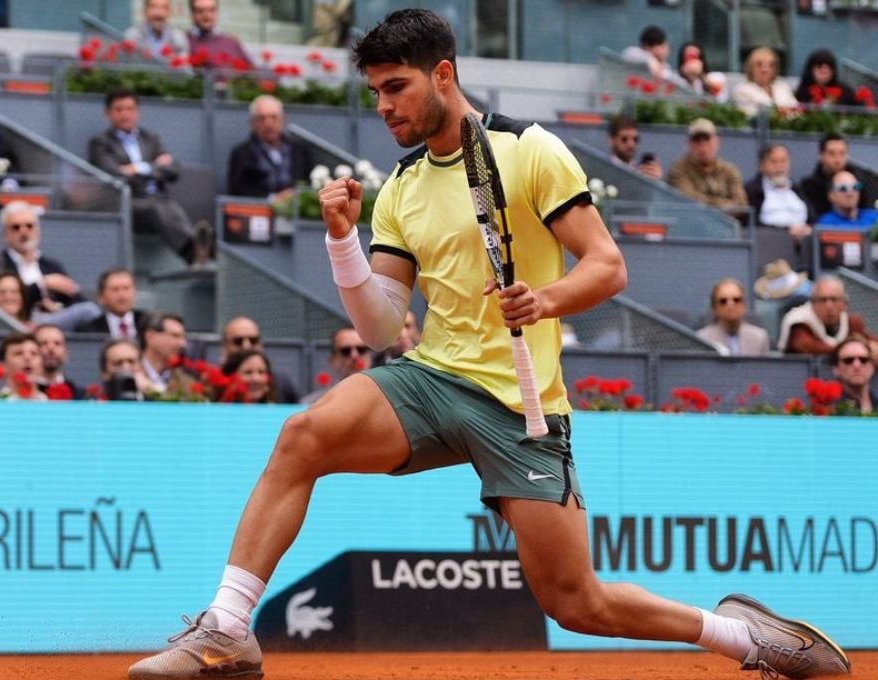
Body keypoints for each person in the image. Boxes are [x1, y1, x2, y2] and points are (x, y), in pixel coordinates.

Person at [126, 10, 852, 680]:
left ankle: (745, 637)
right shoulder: (401, 187)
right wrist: (343, 241)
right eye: (375, 92)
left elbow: (607, 265)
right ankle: (228, 630)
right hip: (432, 379)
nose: (384, 107)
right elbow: (379, 328)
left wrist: (545, 299)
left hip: (520, 405)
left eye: (397, 87)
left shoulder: (531, 151)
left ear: (443, 74)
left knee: (576, 602)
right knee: (302, 435)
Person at [88, 89, 209, 266]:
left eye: (130, 109)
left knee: (168, 206)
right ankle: (193, 253)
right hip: (126, 202)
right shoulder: (100, 142)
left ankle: (199, 249)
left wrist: (138, 168)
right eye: (119, 109)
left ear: (137, 112)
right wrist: (154, 167)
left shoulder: (151, 138)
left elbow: (173, 170)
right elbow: (112, 174)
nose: (125, 114)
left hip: (159, 199)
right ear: (108, 114)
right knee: (156, 208)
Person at [0, 201, 102, 329]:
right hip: (17, 323)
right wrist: (42, 285)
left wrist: (57, 307)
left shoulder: (50, 265)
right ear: (5, 234)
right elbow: (3, 298)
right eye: (16, 227)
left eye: (29, 226)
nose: (24, 232)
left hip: (52, 323)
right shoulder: (0, 263)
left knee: (89, 311)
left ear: (38, 231)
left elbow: (75, 297)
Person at [227, 95, 314, 200]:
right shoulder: (241, 154)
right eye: (262, 118)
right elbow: (238, 190)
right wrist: (272, 198)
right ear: (252, 123)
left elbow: (310, 183)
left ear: (283, 120)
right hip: (257, 208)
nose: (269, 124)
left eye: (274, 117)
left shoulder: (300, 151)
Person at [666, 118, 748, 218]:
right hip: (692, 224)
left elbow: (741, 205)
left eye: (707, 139)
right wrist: (724, 204)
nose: (702, 146)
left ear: (717, 142)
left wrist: (706, 203)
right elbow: (688, 201)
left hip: (725, 226)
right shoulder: (678, 170)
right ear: (689, 144)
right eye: (697, 140)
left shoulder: (729, 170)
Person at [779, 275, 877, 355]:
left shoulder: (851, 322)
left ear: (844, 304)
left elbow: (868, 341)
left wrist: (871, 347)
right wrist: (855, 349)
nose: (829, 306)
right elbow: (805, 346)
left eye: (834, 300)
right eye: (822, 300)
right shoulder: (799, 321)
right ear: (813, 303)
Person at [798, 133, 878, 223]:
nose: (838, 159)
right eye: (832, 153)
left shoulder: (864, 178)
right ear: (821, 156)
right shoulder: (810, 186)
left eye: (842, 153)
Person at [218, 315, 300, 403]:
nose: (246, 346)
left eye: (253, 340)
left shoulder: (281, 383)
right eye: (238, 341)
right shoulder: (213, 384)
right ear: (224, 345)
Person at [745, 143, 811, 239]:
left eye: (783, 161)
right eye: (774, 162)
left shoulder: (797, 189)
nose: (779, 167)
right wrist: (787, 230)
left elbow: (812, 217)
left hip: (804, 241)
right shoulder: (752, 190)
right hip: (768, 240)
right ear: (761, 165)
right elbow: (750, 223)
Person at [696, 278, 771, 356]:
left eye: (736, 300)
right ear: (714, 307)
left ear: (744, 305)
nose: (730, 305)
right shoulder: (703, 339)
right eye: (723, 301)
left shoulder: (759, 338)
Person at [298, 326, 371, 405]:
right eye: (345, 351)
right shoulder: (315, 404)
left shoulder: (381, 397)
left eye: (361, 350)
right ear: (332, 360)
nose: (354, 356)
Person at [77, 267, 151, 339]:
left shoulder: (148, 323)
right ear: (101, 296)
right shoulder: (88, 331)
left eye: (126, 288)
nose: (122, 295)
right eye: (115, 289)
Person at [732, 46, 799, 118]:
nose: (765, 69)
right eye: (759, 64)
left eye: (771, 65)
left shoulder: (783, 87)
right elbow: (750, 115)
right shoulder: (741, 90)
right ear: (750, 68)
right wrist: (781, 112)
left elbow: (797, 111)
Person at [187, 0, 253, 70]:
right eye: (200, 11)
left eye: (211, 10)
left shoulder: (231, 43)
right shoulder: (185, 41)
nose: (206, 16)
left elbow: (252, 70)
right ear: (192, 14)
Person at [140, 312, 189, 395]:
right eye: (175, 336)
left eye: (183, 337)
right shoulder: (130, 370)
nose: (183, 343)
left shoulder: (184, 381)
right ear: (150, 336)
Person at [795, 49, 861, 108]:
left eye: (829, 68)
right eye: (819, 68)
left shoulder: (845, 91)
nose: (824, 72)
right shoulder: (803, 92)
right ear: (811, 70)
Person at [124, 0, 189, 58]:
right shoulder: (132, 36)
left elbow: (184, 65)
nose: (158, 13)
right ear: (145, 10)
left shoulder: (178, 38)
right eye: (153, 7)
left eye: (164, 8)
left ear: (169, 11)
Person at [606, 115, 662, 181]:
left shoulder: (640, 172)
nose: (631, 145)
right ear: (611, 141)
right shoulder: (605, 170)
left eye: (635, 139)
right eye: (624, 139)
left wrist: (656, 181)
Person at [831, 335, 876, 414]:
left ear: (872, 366)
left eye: (863, 360)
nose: (857, 365)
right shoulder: (829, 408)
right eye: (848, 360)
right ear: (836, 368)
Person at [33, 324, 81, 400]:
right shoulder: (23, 393)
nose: (51, 348)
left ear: (66, 353)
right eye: (44, 343)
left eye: (57, 343)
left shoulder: (77, 394)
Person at [0, 331, 46, 400]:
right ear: (2, 366)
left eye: (33, 353)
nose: (28, 357)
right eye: (18, 353)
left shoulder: (53, 403)